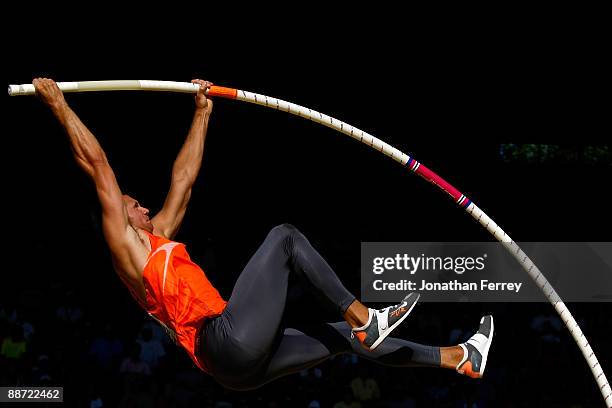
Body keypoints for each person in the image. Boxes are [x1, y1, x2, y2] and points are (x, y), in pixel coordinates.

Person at [33, 78, 494, 391]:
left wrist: (202, 112)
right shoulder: (127, 248)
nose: (145, 207)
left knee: (341, 341)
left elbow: (185, 181)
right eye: (137, 205)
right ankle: (364, 317)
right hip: (223, 341)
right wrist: (59, 105)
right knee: (285, 237)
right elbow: (98, 166)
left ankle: (458, 358)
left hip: (234, 368)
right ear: (123, 218)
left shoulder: (158, 239)